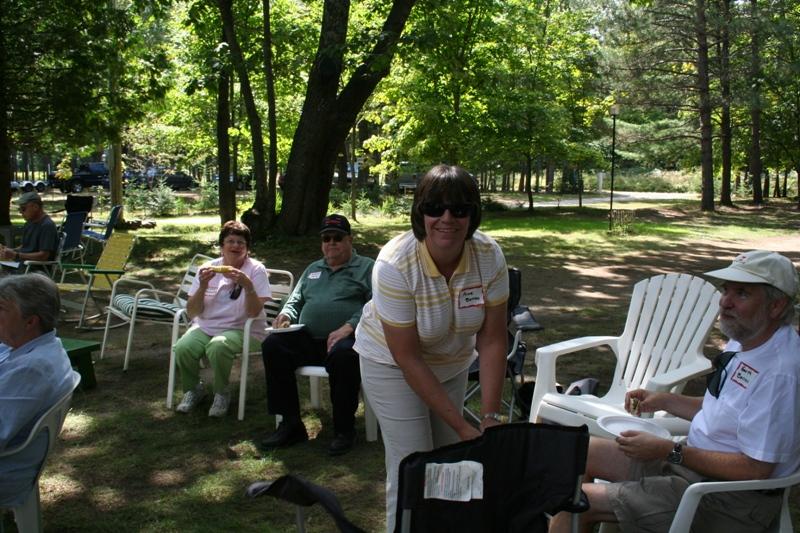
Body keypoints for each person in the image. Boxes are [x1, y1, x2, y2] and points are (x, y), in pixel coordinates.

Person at [549, 250, 800, 533]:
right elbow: (725, 409)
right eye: (726, 290)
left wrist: (671, 451)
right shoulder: (748, 340)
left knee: (576, 502)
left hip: (728, 499)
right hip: (693, 467)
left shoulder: (779, 373)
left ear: (776, 306)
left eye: (742, 293)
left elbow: (756, 469)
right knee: (582, 452)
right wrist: (665, 400)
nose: (725, 302)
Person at [354, 164, 510, 530]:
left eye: (459, 209)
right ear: (419, 212)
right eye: (434, 208)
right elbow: (406, 356)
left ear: (473, 214)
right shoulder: (394, 264)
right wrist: (463, 425)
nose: (447, 219)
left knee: (447, 461)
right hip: (391, 365)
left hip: (451, 363)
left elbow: (492, 338)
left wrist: (489, 418)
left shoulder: (489, 256)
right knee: (414, 462)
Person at [260, 214, 374, 456]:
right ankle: (290, 424)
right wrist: (286, 315)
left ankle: (344, 429)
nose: (331, 242)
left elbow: (376, 304)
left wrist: (350, 326)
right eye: (326, 238)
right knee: (273, 345)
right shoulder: (314, 268)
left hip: (348, 339)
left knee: (344, 356)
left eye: (337, 237)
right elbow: (295, 300)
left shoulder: (366, 267)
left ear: (349, 239)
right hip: (310, 340)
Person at [173, 221, 272, 418]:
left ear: (247, 248)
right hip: (207, 326)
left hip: (245, 329)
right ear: (222, 246)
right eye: (230, 241)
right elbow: (192, 312)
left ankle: (221, 392)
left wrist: (248, 286)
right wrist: (202, 287)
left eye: (241, 242)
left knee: (218, 346)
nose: (236, 246)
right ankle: (193, 389)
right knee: (183, 347)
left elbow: (254, 312)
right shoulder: (207, 268)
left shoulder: (256, 270)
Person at [0, 274, 74, 505]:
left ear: (30, 322)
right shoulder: (28, 346)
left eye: (1, 309)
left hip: (7, 470)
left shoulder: (33, 369)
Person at [0, 192, 58, 268]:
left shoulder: (47, 226)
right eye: (19, 209)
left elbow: (43, 256)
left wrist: (16, 255)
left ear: (36, 207)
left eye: (23, 209)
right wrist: (10, 250)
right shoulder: (29, 223)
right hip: (21, 264)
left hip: (34, 268)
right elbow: (25, 246)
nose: (20, 212)